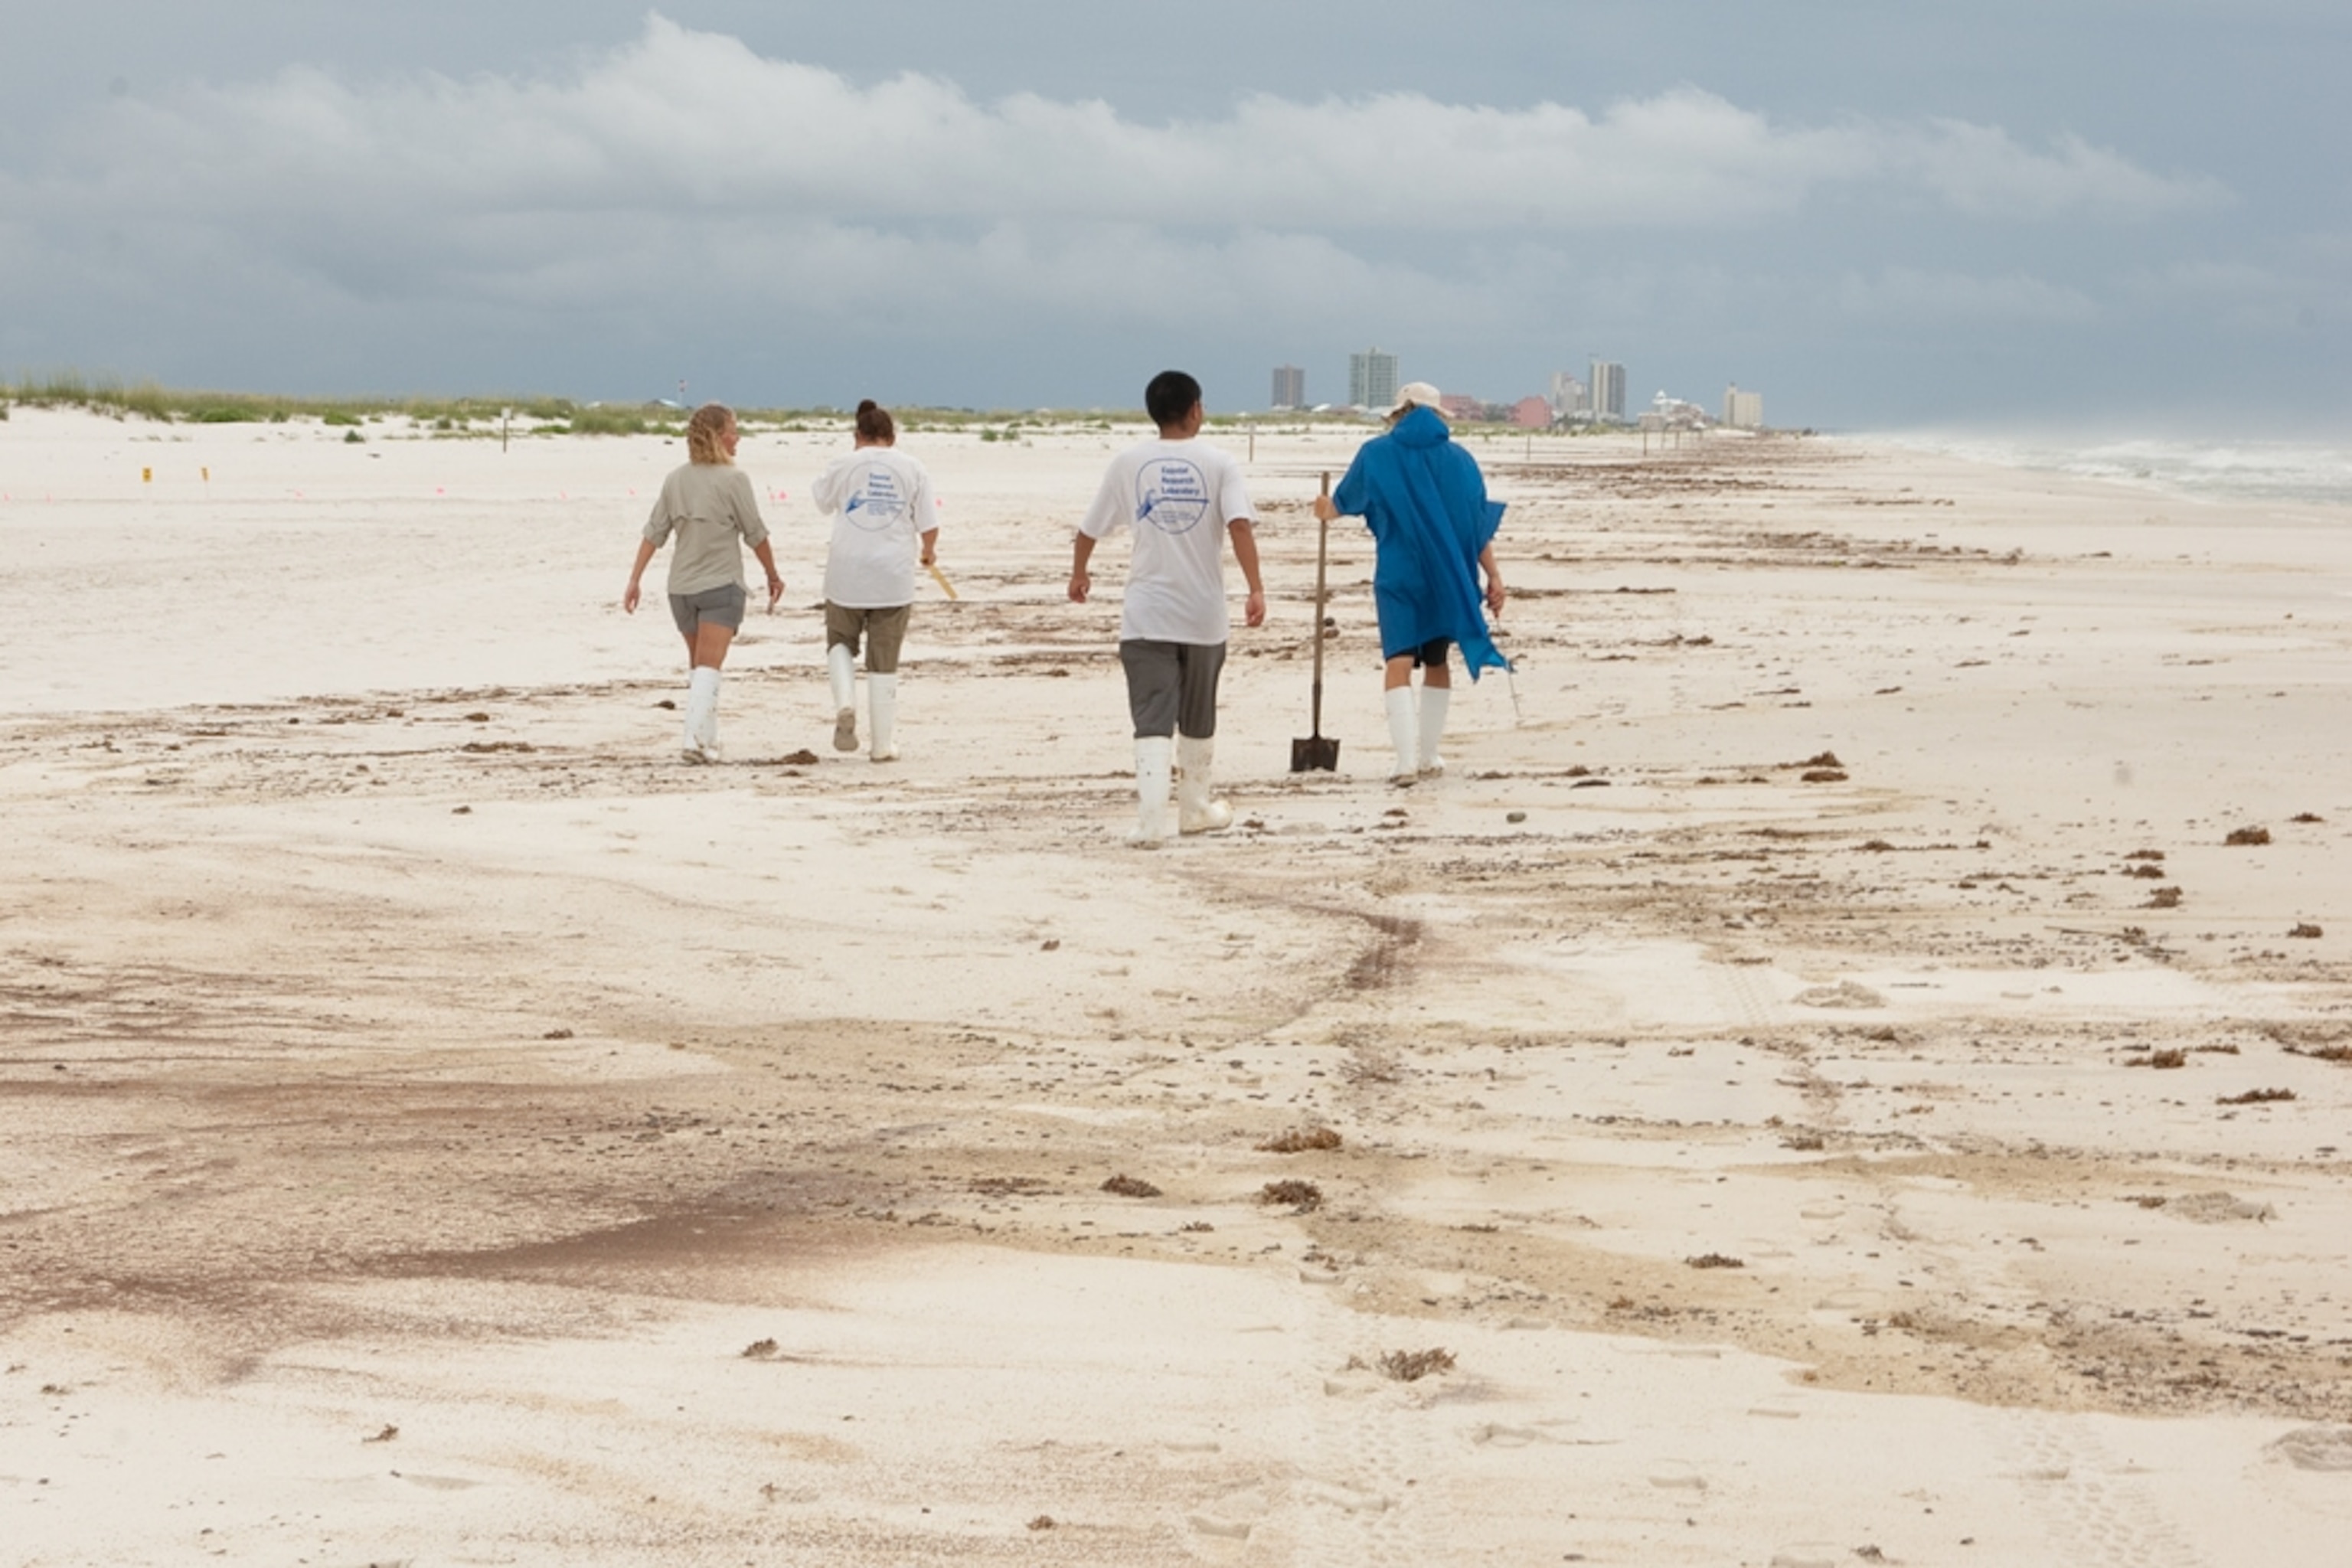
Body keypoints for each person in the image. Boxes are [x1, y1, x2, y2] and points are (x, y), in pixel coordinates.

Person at [1069, 370, 1266, 846]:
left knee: (1152, 715)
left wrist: (1080, 573)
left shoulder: (1129, 462)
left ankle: (1152, 820)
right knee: (1199, 712)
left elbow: (1089, 529)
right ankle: (1195, 806)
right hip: (1203, 613)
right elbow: (1240, 527)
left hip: (1147, 613)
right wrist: (1256, 588)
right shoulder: (1220, 462)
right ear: (1195, 409)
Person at [1314, 380, 1506, 783]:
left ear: (1399, 413)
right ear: (1436, 416)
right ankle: (1429, 756)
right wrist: (1494, 576)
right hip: (1447, 575)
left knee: (1398, 661)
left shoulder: (1375, 454)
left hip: (1398, 574)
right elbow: (1475, 529)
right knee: (1436, 661)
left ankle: (1404, 762)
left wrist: (1323, 508)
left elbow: (1340, 506)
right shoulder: (1461, 461)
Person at [622, 403, 784, 763]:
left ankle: (708, 742)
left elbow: (654, 534)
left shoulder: (675, 478)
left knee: (700, 667)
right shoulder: (734, 479)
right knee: (709, 666)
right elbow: (755, 534)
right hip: (719, 587)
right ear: (717, 436)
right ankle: (694, 742)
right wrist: (772, 575)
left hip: (680, 589)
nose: (738, 436)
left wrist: (635, 579)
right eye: (733, 430)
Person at [809, 400, 939, 762]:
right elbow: (929, 524)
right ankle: (882, 745)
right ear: (892, 437)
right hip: (892, 576)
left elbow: (821, 501)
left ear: (858, 436)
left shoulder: (843, 463)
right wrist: (929, 550)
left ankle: (846, 703)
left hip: (846, 571)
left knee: (839, 642)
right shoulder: (913, 467)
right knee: (884, 659)